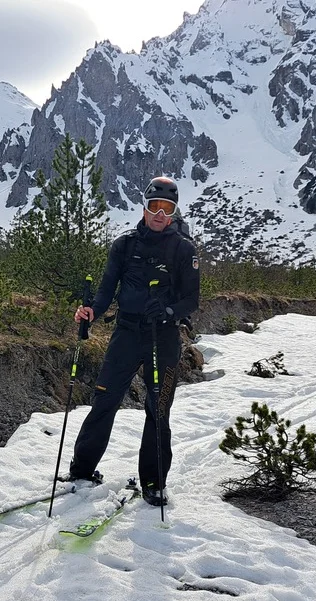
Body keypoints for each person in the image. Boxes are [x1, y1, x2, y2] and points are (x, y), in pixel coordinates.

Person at [66, 176, 200, 506]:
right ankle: (82, 470)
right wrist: (91, 312)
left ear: (173, 212)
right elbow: (105, 290)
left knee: (159, 410)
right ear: (144, 206)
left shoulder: (184, 249)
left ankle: (154, 483)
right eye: (154, 206)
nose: (159, 213)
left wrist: (169, 310)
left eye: (166, 208)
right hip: (126, 333)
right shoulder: (124, 245)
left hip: (163, 338)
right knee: (104, 400)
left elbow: (192, 299)